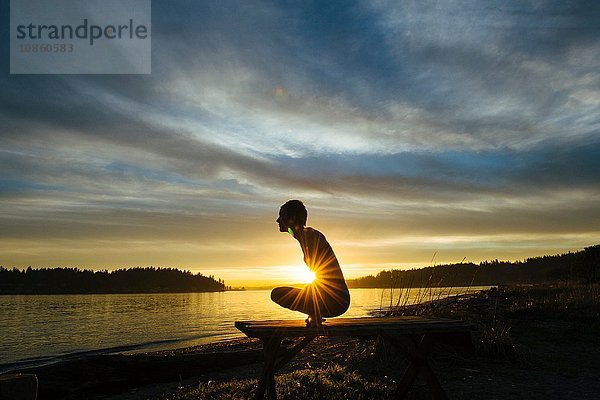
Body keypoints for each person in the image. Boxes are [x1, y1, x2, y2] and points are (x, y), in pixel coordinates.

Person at [271, 200, 351, 327]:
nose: (277, 220)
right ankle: (315, 313)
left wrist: (316, 316)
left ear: (292, 218)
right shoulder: (304, 235)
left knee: (277, 294)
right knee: (278, 293)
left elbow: (321, 274)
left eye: (281, 215)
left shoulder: (310, 237)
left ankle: (316, 314)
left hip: (336, 301)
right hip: (335, 299)